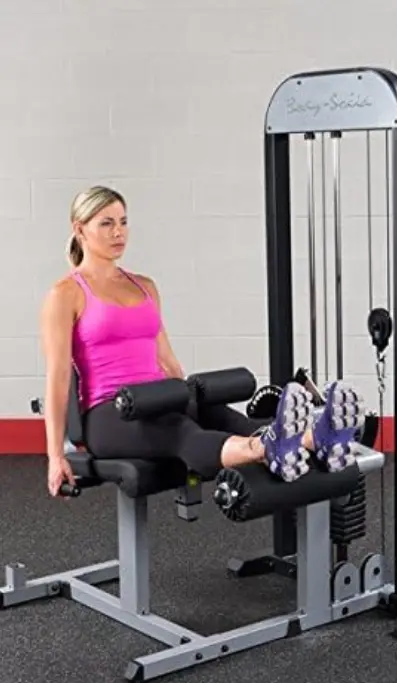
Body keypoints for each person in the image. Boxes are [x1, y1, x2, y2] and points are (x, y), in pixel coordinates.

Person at [39, 185, 366, 498]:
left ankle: (317, 437)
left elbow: (167, 361)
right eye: (106, 223)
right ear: (79, 229)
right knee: (181, 431)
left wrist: (187, 398)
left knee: (227, 418)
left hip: (157, 397)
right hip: (109, 413)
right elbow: (58, 379)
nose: (118, 232)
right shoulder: (66, 294)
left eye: (123, 222)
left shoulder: (144, 286)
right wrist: (56, 456)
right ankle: (269, 448)